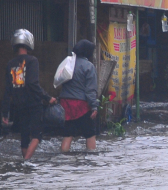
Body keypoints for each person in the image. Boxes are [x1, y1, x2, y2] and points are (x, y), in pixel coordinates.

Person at [1, 29, 57, 160]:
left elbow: (7, 89)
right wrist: (48, 98)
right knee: (37, 136)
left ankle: (25, 166)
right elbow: (33, 84)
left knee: (24, 137)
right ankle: (26, 162)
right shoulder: (32, 61)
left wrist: (5, 112)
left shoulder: (10, 64)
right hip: (33, 104)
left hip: (18, 104)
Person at [59, 39, 98, 152]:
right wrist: (94, 107)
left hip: (65, 103)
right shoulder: (89, 66)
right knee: (90, 134)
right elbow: (90, 90)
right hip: (81, 104)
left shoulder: (67, 63)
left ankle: (63, 156)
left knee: (68, 134)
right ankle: (91, 158)